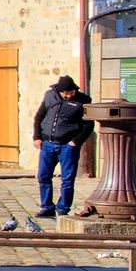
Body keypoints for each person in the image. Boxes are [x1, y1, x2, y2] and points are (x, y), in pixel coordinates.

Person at [33, 75, 94, 217]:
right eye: (65, 93)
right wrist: (37, 137)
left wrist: (75, 142)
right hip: (47, 144)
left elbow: (88, 125)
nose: (68, 95)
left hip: (67, 146)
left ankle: (63, 208)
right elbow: (39, 117)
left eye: (71, 93)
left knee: (67, 179)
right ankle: (47, 207)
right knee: (43, 176)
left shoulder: (83, 101)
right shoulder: (49, 96)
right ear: (59, 91)